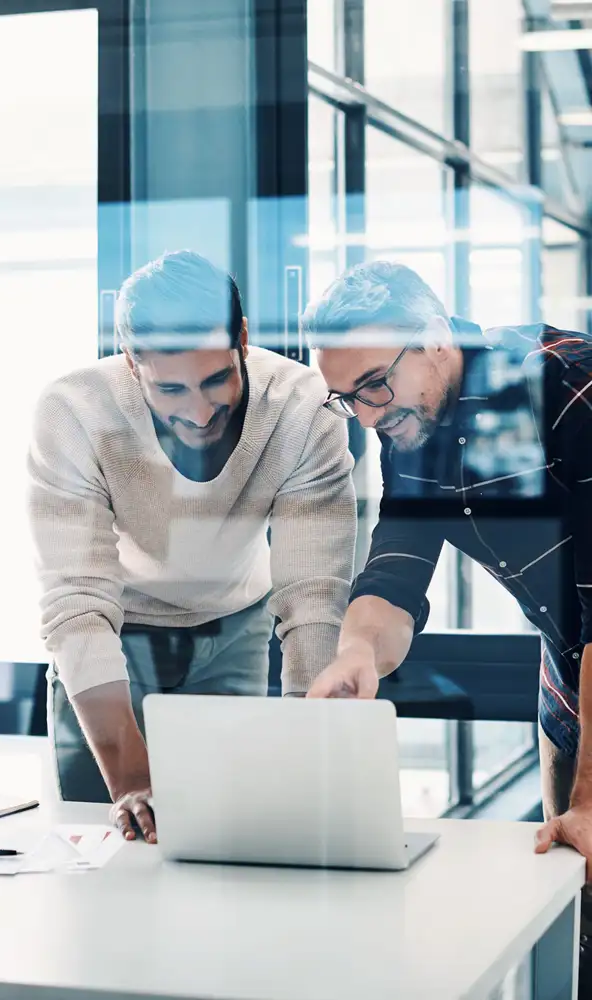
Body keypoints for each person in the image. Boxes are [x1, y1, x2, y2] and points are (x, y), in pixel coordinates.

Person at [300, 259, 592, 994]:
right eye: (346, 399)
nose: (365, 416)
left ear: (433, 339)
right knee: (574, 917)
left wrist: (591, 799)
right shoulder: (411, 426)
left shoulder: (568, 388)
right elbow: (395, 573)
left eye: (373, 385)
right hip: (568, 675)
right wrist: (358, 654)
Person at [28, 249, 356, 840]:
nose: (200, 411)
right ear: (131, 362)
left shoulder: (303, 407)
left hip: (236, 625)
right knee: (108, 844)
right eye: (172, 389)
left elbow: (313, 593)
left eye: (216, 379)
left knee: (228, 832)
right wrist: (130, 781)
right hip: (112, 636)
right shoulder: (73, 412)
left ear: (243, 339)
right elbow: (76, 601)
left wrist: (314, 755)